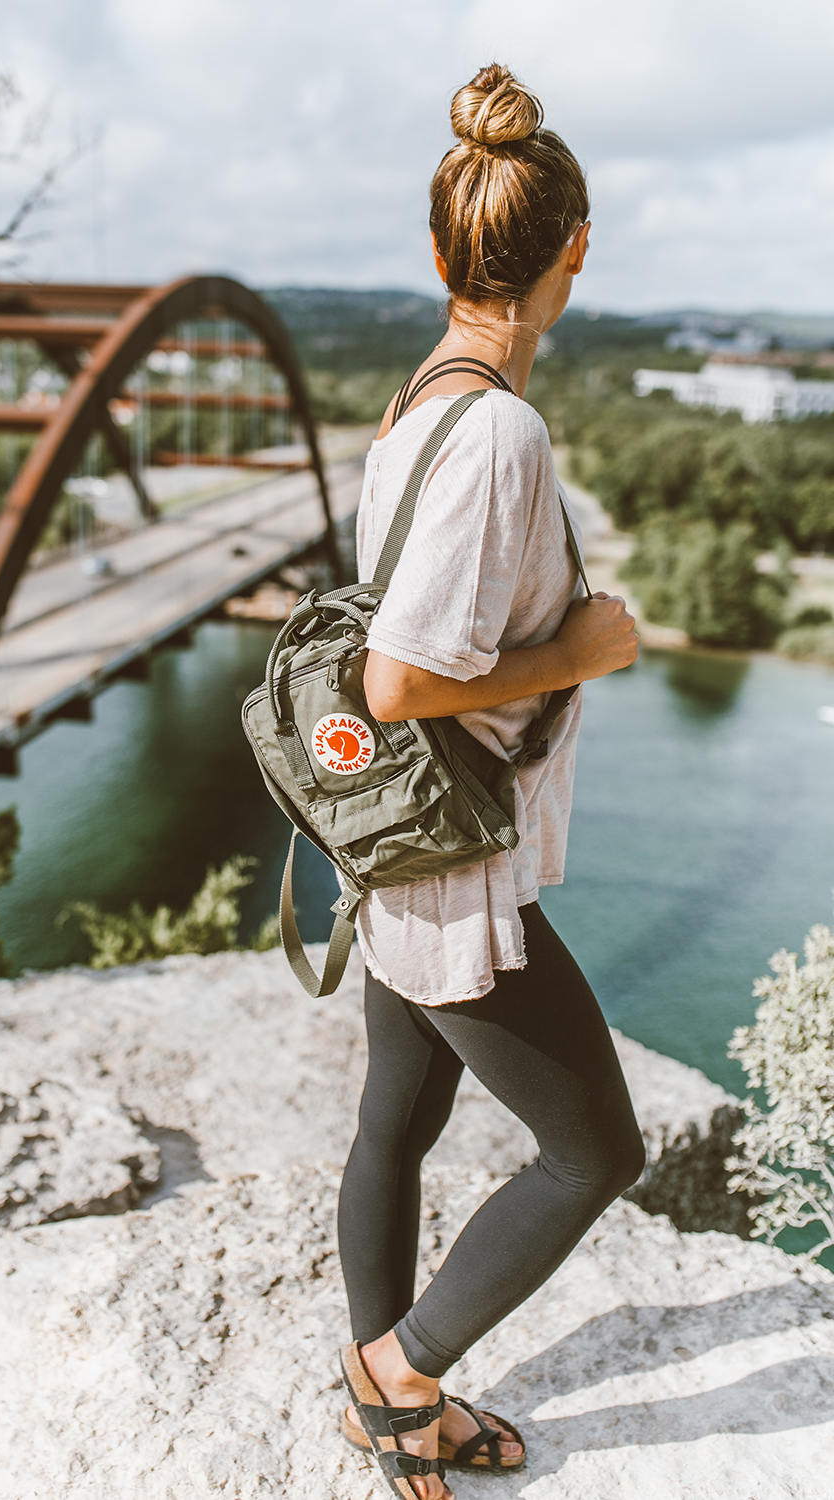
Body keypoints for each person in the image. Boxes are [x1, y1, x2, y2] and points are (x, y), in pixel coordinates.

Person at [335, 64, 646, 1500]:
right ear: (572, 252)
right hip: (452, 852)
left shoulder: (422, 398)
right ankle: (401, 1376)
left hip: (399, 834)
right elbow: (400, 675)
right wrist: (587, 643)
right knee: (593, 1151)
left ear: (444, 253)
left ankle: (380, 1395)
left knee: (399, 1111)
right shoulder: (504, 432)